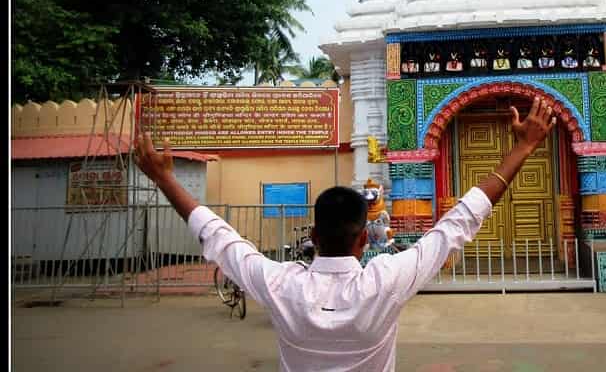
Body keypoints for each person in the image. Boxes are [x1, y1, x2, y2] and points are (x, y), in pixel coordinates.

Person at [134, 97, 557, 372]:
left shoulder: (282, 284)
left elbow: (217, 235)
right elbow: (459, 222)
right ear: (363, 239)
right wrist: (523, 149)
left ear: (314, 236)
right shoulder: (386, 280)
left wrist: (163, 178)